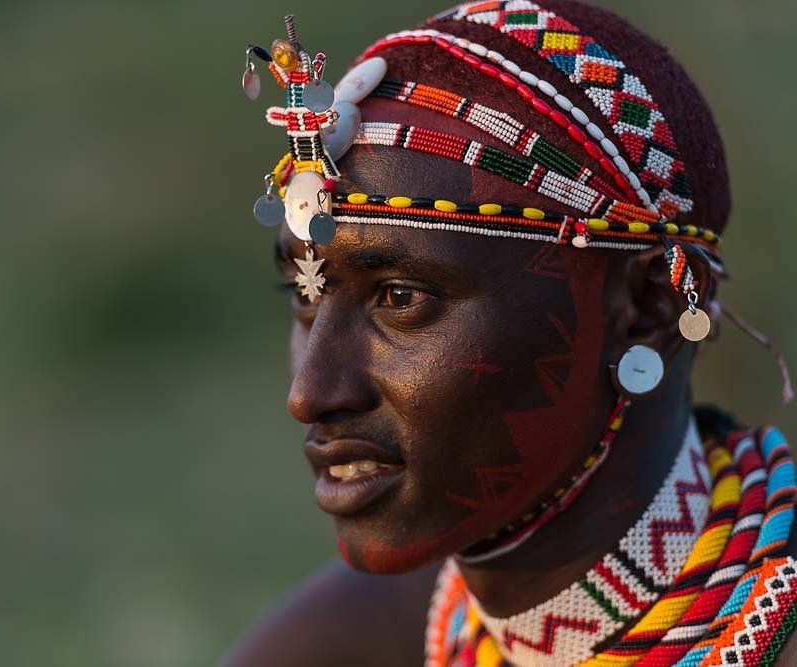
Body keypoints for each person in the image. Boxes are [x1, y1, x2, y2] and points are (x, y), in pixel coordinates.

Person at [226, 1, 797, 664]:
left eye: (400, 297)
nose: (311, 391)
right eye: (307, 292)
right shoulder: (339, 645)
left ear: (649, 306)